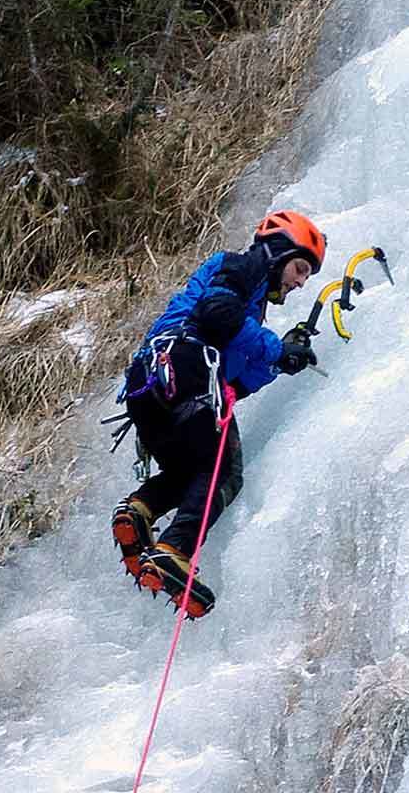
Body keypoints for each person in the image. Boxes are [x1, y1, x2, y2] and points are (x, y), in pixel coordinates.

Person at [111, 210, 326, 617]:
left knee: (193, 475)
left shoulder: (249, 299)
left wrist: (282, 359)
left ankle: (138, 511)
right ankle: (174, 550)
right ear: (278, 252)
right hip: (185, 368)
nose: (299, 282)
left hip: (151, 388)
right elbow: (217, 316)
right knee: (225, 472)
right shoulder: (243, 266)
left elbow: (237, 381)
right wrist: (276, 347)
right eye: (299, 268)